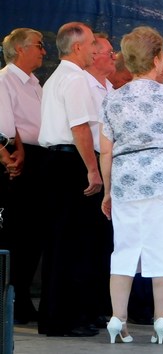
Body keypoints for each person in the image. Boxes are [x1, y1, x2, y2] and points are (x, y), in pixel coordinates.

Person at [99, 26, 163, 344]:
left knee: (124, 251)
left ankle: (118, 319)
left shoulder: (111, 100)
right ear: (156, 59)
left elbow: (106, 152)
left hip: (126, 183)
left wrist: (107, 190)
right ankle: (160, 321)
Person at [37, 21, 102, 337]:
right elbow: (80, 128)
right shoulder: (76, 80)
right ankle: (67, 318)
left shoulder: (55, 78)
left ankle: (55, 316)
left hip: (55, 163)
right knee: (74, 243)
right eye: (91, 44)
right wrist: (93, 168)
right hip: (70, 163)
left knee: (59, 242)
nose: (94, 51)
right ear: (77, 47)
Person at [0, 28, 47, 324]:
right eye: (38, 45)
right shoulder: (4, 79)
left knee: (33, 233)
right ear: (20, 49)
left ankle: (22, 296)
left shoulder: (34, 83)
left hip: (36, 157)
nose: (44, 51)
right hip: (14, 157)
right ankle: (11, 300)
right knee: (15, 232)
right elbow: (4, 125)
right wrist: (9, 154)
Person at [83, 33, 117, 326]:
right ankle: (87, 306)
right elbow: (82, 130)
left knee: (105, 242)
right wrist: (93, 168)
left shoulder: (110, 88)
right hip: (91, 164)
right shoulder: (83, 84)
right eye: (109, 52)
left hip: (112, 167)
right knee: (88, 243)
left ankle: (100, 305)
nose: (114, 56)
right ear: (94, 56)